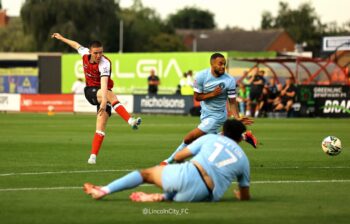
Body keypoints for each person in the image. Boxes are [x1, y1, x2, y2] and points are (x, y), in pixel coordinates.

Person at [84, 119, 251, 202]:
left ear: (223, 130)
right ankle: (162, 197)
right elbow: (244, 194)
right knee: (178, 195)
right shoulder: (244, 159)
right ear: (240, 139)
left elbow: (178, 156)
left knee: (145, 174)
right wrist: (239, 195)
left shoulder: (211, 138)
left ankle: (103, 191)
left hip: (190, 174)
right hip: (205, 194)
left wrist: (176, 166)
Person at [51, 33, 141, 164]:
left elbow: (104, 84)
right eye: (96, 53)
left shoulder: (105, 63)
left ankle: (92, 157)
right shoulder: (84, 53)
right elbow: (75, 44)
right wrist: (61, 38)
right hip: (90, 91)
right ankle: (130, 120)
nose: (99, 56)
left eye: (101, 53)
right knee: (110, 95)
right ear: (90, 51)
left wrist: (104, 101)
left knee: (101, 126)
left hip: (102, 93)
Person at [161, 53, 256, 165]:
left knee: (189, 138)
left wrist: (236, 118)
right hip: (205, 114)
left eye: (224, 64)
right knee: (210, 139)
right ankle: (243, 136)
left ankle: (168, 162)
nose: (222, 67)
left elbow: (232, 102)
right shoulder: (201, 76)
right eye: (220, 64)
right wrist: (212, 94)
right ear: (212, 64)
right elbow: (197, 97)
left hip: (217, 116)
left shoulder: (229, 80)